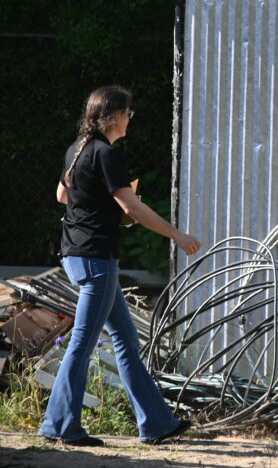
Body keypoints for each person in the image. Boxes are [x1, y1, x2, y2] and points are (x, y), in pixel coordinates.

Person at [40, 85, 202, 447]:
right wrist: (177, 235)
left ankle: (157, 424)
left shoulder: (77, 149)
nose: (130, 118)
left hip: (77, 255)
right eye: (128, 113)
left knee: (127, 340)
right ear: (114, 118)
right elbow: (133, 208)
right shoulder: (105, 154)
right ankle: (60, 426)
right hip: (96, 259)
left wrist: (97, 202)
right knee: (82, 344)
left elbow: (62, 195)